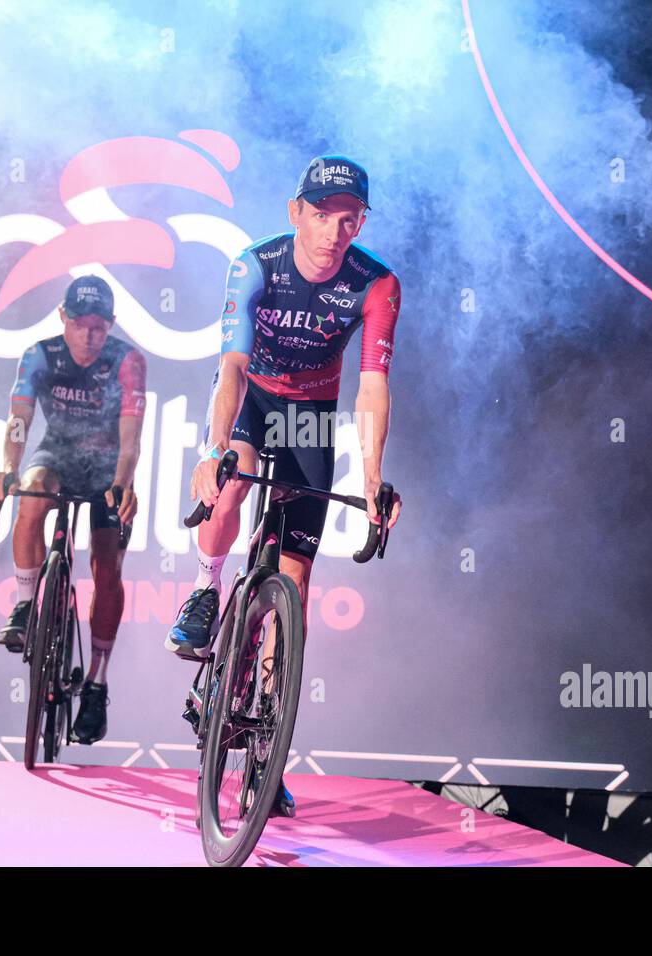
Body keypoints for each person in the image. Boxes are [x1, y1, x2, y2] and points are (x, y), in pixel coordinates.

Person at [166, 155, 403, 816]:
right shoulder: (255, 264)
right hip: (254, 404)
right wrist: (214, 452)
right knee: (232, 487)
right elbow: (231, 365)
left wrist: (375, 478)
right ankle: (206, 587)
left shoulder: (377, 284)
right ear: (295, 212)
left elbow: (373, 385)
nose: (334, 228)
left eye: (348, 216)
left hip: (311, 420)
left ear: (362, 221)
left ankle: (265, 758)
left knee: (295, 586)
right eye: (321, 213)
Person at [0, 275, 146, 746]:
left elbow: (132, 436)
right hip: (56, 454)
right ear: (63, 319)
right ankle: (23, 604)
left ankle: (96, 682)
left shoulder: (127, 360)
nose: (89, 335)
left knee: (107, 566)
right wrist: (7, 468)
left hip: (106, 465)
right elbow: (19, 421)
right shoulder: (40, 354)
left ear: (110, 325)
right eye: (80, 324)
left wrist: (122, 483)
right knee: (31, 494)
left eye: (99, 326)